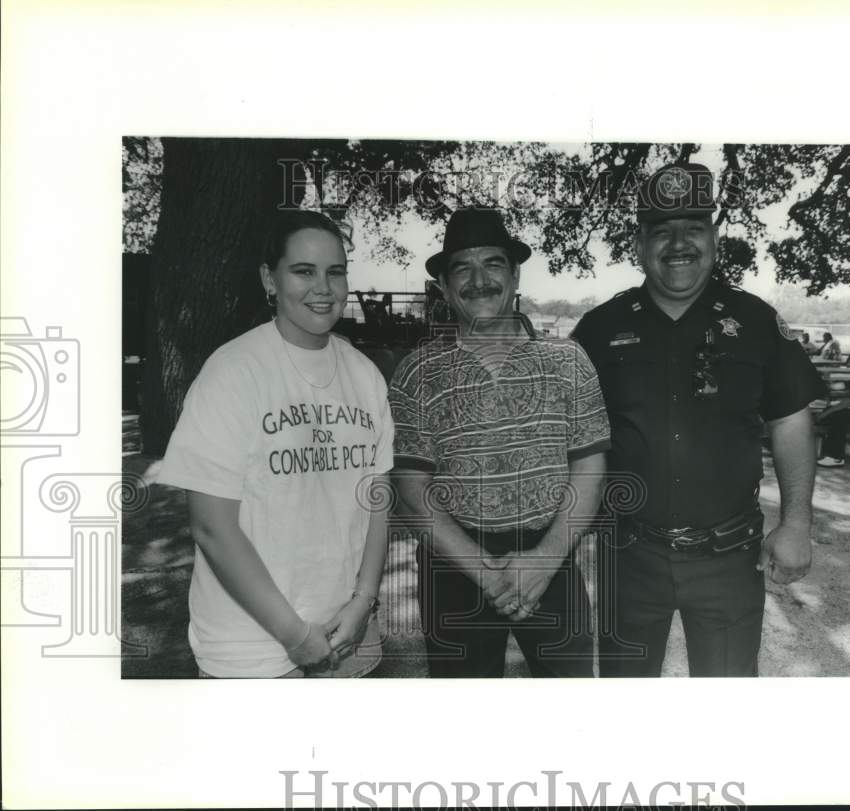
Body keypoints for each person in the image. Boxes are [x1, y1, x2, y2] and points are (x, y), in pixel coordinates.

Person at [573, 163, 825, 677]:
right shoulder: (599, 330)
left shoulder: (755, 322)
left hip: (729, 558)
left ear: (714, 237)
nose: (678, 243)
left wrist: (796, 523)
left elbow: (791, 421)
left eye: (693, 228)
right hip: (630, 557)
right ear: (640, 245)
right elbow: (567, 435)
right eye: (661, 231)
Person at [157, 210, 394, 678]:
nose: (322, 288)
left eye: (335, 271)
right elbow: (211, 527)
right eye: (303, 271)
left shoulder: (364, 375)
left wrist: (364, 600)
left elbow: (377, 501)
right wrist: (294, 634)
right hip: (255, 651)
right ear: (270, 279)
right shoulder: (232, 372)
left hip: (352, 635)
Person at [388, 208, 610, 677]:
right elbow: (411, 488)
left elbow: (589, 469)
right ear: (445, 288)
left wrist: (545, 562)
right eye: (461, 269)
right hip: (453, 565)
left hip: (550, 556)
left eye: (492, 263)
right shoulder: (416, 372)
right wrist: (486, 573)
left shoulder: (568, 360)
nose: (479, 279)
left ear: (514, 275)